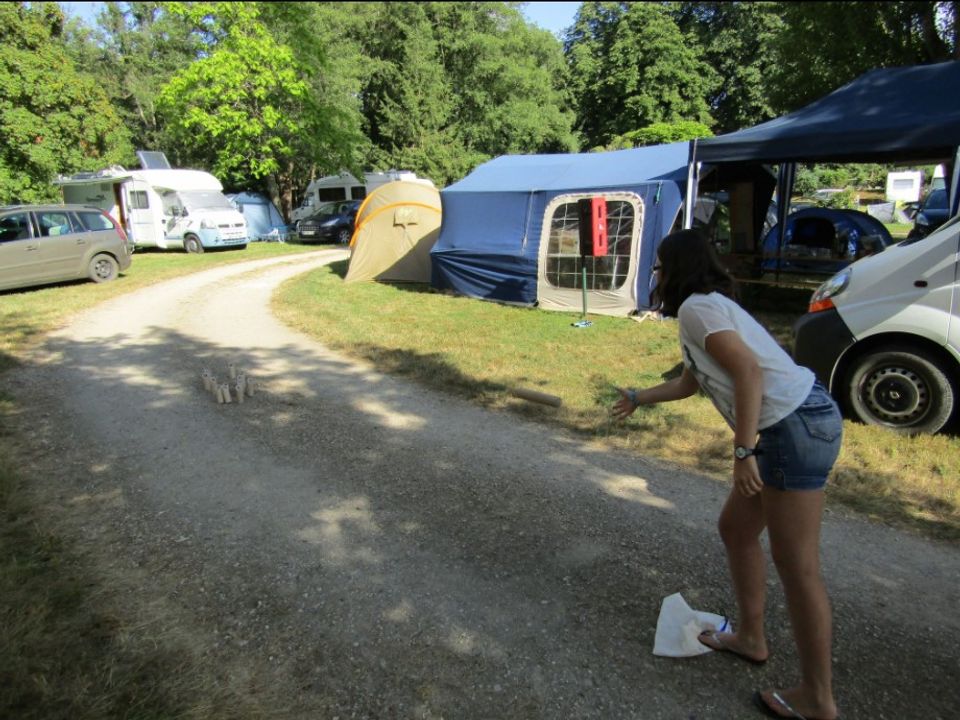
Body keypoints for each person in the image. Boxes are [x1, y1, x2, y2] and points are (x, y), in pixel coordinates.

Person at [611, 229, 843, 720]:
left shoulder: (699, 307)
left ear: (676, 269)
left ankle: (818, 699)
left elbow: (750, 374)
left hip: (789, 427)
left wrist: (744, 451)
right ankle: (752, 638)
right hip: (793, 422)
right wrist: (638, 398)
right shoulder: (702, 310)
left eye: (658, 266)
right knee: (736, 531)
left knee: (797, 566)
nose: (654, 274)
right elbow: (689, 383)